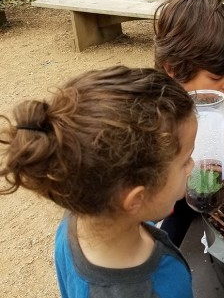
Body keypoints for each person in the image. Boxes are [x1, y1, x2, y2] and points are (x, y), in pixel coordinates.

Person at [0, 66, 197, 298]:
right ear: (136, 199)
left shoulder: (81, 217)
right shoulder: (155, 288)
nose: (192, 166)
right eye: (185, 161)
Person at [154, 0, 224, 246]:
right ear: (173, 69)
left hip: (206, 200)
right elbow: (158, 184)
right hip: (171, 227)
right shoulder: (157, 115)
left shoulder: (208, 100)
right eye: (216, 76)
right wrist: (208, 150)